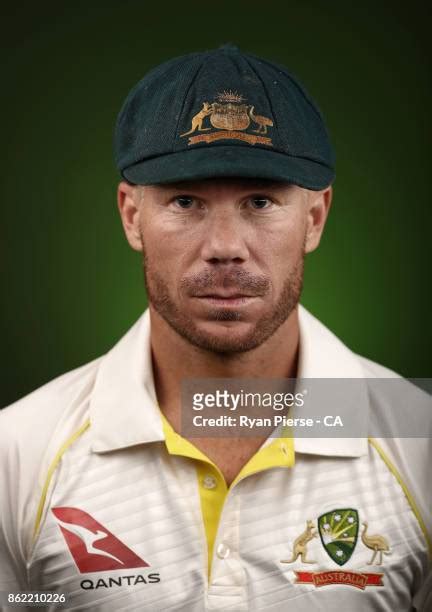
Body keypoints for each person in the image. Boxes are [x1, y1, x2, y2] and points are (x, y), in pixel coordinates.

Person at [0, 45, 430, 611]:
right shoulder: (19, 451)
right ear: (132, 216)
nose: (225, 248)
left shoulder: (418, 445)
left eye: (259, 201)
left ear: (315, 218)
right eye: (185, 201)